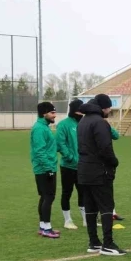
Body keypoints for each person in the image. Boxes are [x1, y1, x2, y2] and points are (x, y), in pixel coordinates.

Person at [78, 94, 125, 256]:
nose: (110, 110)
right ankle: (108, 244)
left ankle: (94, 242)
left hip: (84, 169)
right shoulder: (100, 122)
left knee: (90, 207)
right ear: (103, 107)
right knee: (106, 207)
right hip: (99, 170)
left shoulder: (83, 121)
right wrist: (114, 162)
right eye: (109, 107)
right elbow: (105, 148)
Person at [31, 102, 60, 239]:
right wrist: (48, 168)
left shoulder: (44, 127)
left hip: (47, 166)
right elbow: (39, 151)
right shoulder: (39, 129)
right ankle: (47, 228)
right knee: (48, 196)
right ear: (44, 114)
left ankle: (43, 226)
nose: (55, 115)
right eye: (52, 113)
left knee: (45, 196)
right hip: (44, 168)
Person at [56, 99, 85, 230]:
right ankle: (67, 221)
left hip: (83, 166)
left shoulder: (84, 123)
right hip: (68, 166)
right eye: (79, 111)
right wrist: (71, 158)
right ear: (74, 111)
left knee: (83, 193)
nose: (81, 114)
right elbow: (60, 144)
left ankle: (86, 220)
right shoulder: (63, 125)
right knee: (67, 193)